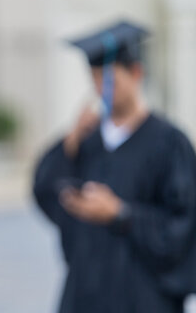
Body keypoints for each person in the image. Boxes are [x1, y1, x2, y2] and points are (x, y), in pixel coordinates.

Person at [33, 20, 196, 313]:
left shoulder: (169, 143)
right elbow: (44, 190)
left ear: (136, 74)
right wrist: (70, 140)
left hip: (144, 298)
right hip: (84, 296)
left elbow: (183, 226)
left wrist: (120, 213)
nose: (101, 90)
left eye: (109, 80)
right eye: (94, 79)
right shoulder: (86, 141)